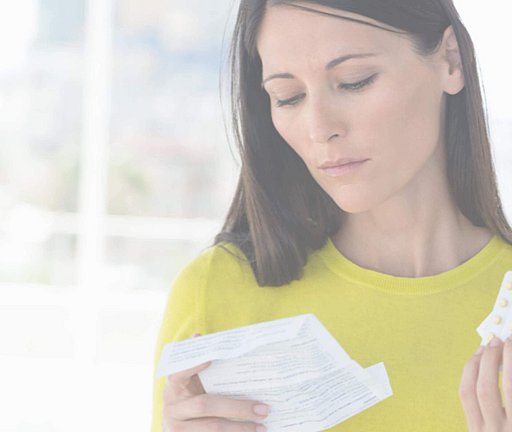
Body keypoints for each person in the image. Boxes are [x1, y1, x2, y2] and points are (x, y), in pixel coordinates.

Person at [151, 0, 512, 431]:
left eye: (354, 82)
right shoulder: (217, 293)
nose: (319, 127)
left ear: (450, 61)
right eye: (289, 97)